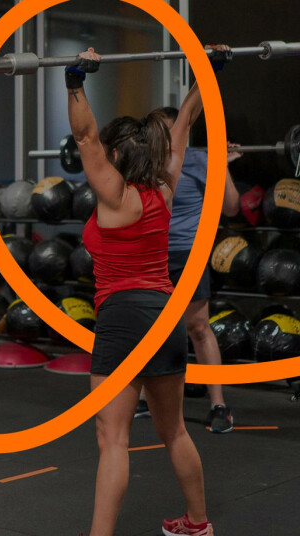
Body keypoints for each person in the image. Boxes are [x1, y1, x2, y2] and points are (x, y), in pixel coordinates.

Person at [67, 45, 231, 536]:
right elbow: (185, 122)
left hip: (121, 318)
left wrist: (75, 81)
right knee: (174, 429)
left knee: (113, 438)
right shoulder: (164, 189)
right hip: (164, 317)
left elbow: (84, 135)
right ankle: (198, 524)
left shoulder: (114, 195)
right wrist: (208, 73)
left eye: (108, 150)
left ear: (117, 155)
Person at [135, 107, 242, 434]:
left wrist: (221, 165)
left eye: (171, 130)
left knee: (197, 327)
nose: (164, 137)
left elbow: (231, 208)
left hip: (187, 254)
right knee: (150, 328)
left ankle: (218, 404)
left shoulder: (201, 160)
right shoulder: (145, 162)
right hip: (151, 254)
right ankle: (143, 397)